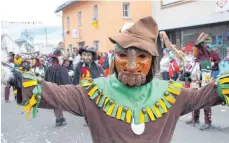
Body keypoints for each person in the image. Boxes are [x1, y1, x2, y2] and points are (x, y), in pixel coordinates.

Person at [20, 17, 228, 143]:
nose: (131, 65)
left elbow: (207, 94)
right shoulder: (92, 92)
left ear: (153, 61)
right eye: (123, 56)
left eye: (141, 57)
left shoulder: (172, 94)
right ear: (114, 58)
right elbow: (52, 92)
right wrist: (19, 79)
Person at [186, 34, 213, 130]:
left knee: (205, 100)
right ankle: (196, 118)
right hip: (196, 84)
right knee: (195, 100)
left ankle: (207, 121)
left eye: (195, 50)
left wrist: (202, 87)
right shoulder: (196, 60)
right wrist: (189, 77)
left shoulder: (205, 61)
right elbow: (193, 72)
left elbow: (206, 78)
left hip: (203, 85)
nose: (193, 52)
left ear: (200, 50)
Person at [44, 49, 71, 126]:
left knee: (55, 103)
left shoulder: (49, 68)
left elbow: (45, 80)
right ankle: (60, 118)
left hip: (51, 89)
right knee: (59, 103)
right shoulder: (63, 69)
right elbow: (66, 81)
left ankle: (59, 118)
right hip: (61, 89)